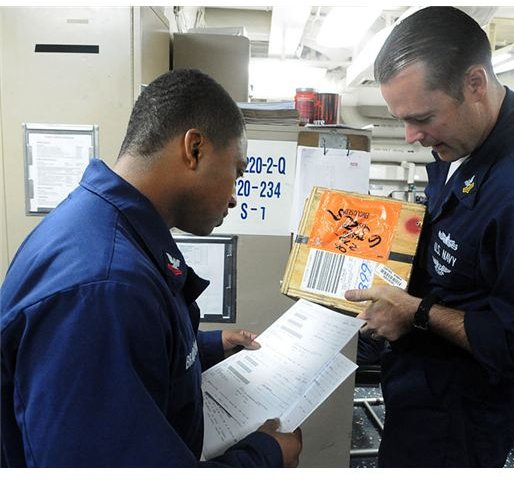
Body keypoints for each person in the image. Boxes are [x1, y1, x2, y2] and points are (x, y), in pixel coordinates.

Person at [1, 69, 302, 467]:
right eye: (237, 172)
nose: (234, 197)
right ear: (193, 149)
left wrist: (209, 347)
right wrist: (265, 456)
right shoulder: (104, 288)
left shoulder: (103, 227)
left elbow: (128, 354)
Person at [345, 7, 514, 468]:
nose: (410, 136)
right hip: (418, 393)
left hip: (461, 426)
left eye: (422, 117)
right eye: (401, 118)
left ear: (475, 84)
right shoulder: (462, 142)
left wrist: (418, 313)